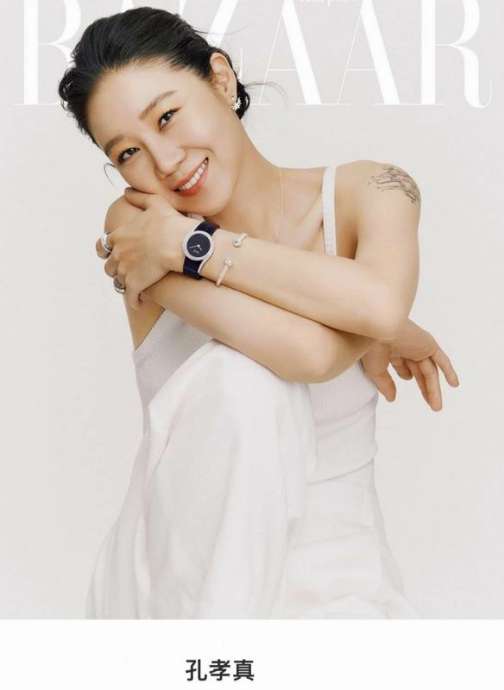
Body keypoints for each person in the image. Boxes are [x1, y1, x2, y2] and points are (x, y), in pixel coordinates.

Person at [58, 7, 459, 618]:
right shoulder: (137, 226)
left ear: (220, 80)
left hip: (337, 589)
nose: (165, 161)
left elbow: (377, 304)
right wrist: (371, 319)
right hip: (177, 593)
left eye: (167, 116)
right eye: (130, 151)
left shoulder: (371, 190)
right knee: (243, 380)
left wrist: (192, 245)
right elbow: (311, 354)